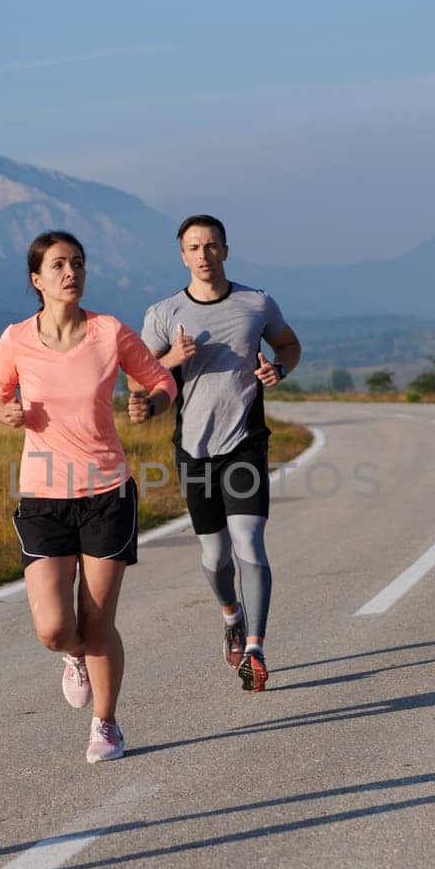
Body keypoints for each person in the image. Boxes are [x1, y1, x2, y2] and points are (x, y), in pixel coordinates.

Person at [0, 231, 176, 763]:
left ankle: (106, 725)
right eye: (59, 265)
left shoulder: (109, 332)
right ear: (37, 279)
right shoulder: (16, 339)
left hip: (106, 492)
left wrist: (152, 406)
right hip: (43, 495)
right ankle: (73, 658)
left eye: (78, 263)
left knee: (97, 623)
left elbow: (161, 380)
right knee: (54, 629)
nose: (71, 272)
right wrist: (5, 412)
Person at [136, 214, 302, 693]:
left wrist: (279, 370)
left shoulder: (256, 303)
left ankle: (255, 648)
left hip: (245, 444)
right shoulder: (163, 314)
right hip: (194, 449)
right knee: (214, 553)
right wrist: (172, 360)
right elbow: (141, 380)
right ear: (182, 255)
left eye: (211, 246)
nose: (203, 255)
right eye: (194, 247)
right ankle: (230, 613)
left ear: (225, 250)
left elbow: (288, 344)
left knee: (250, 542)